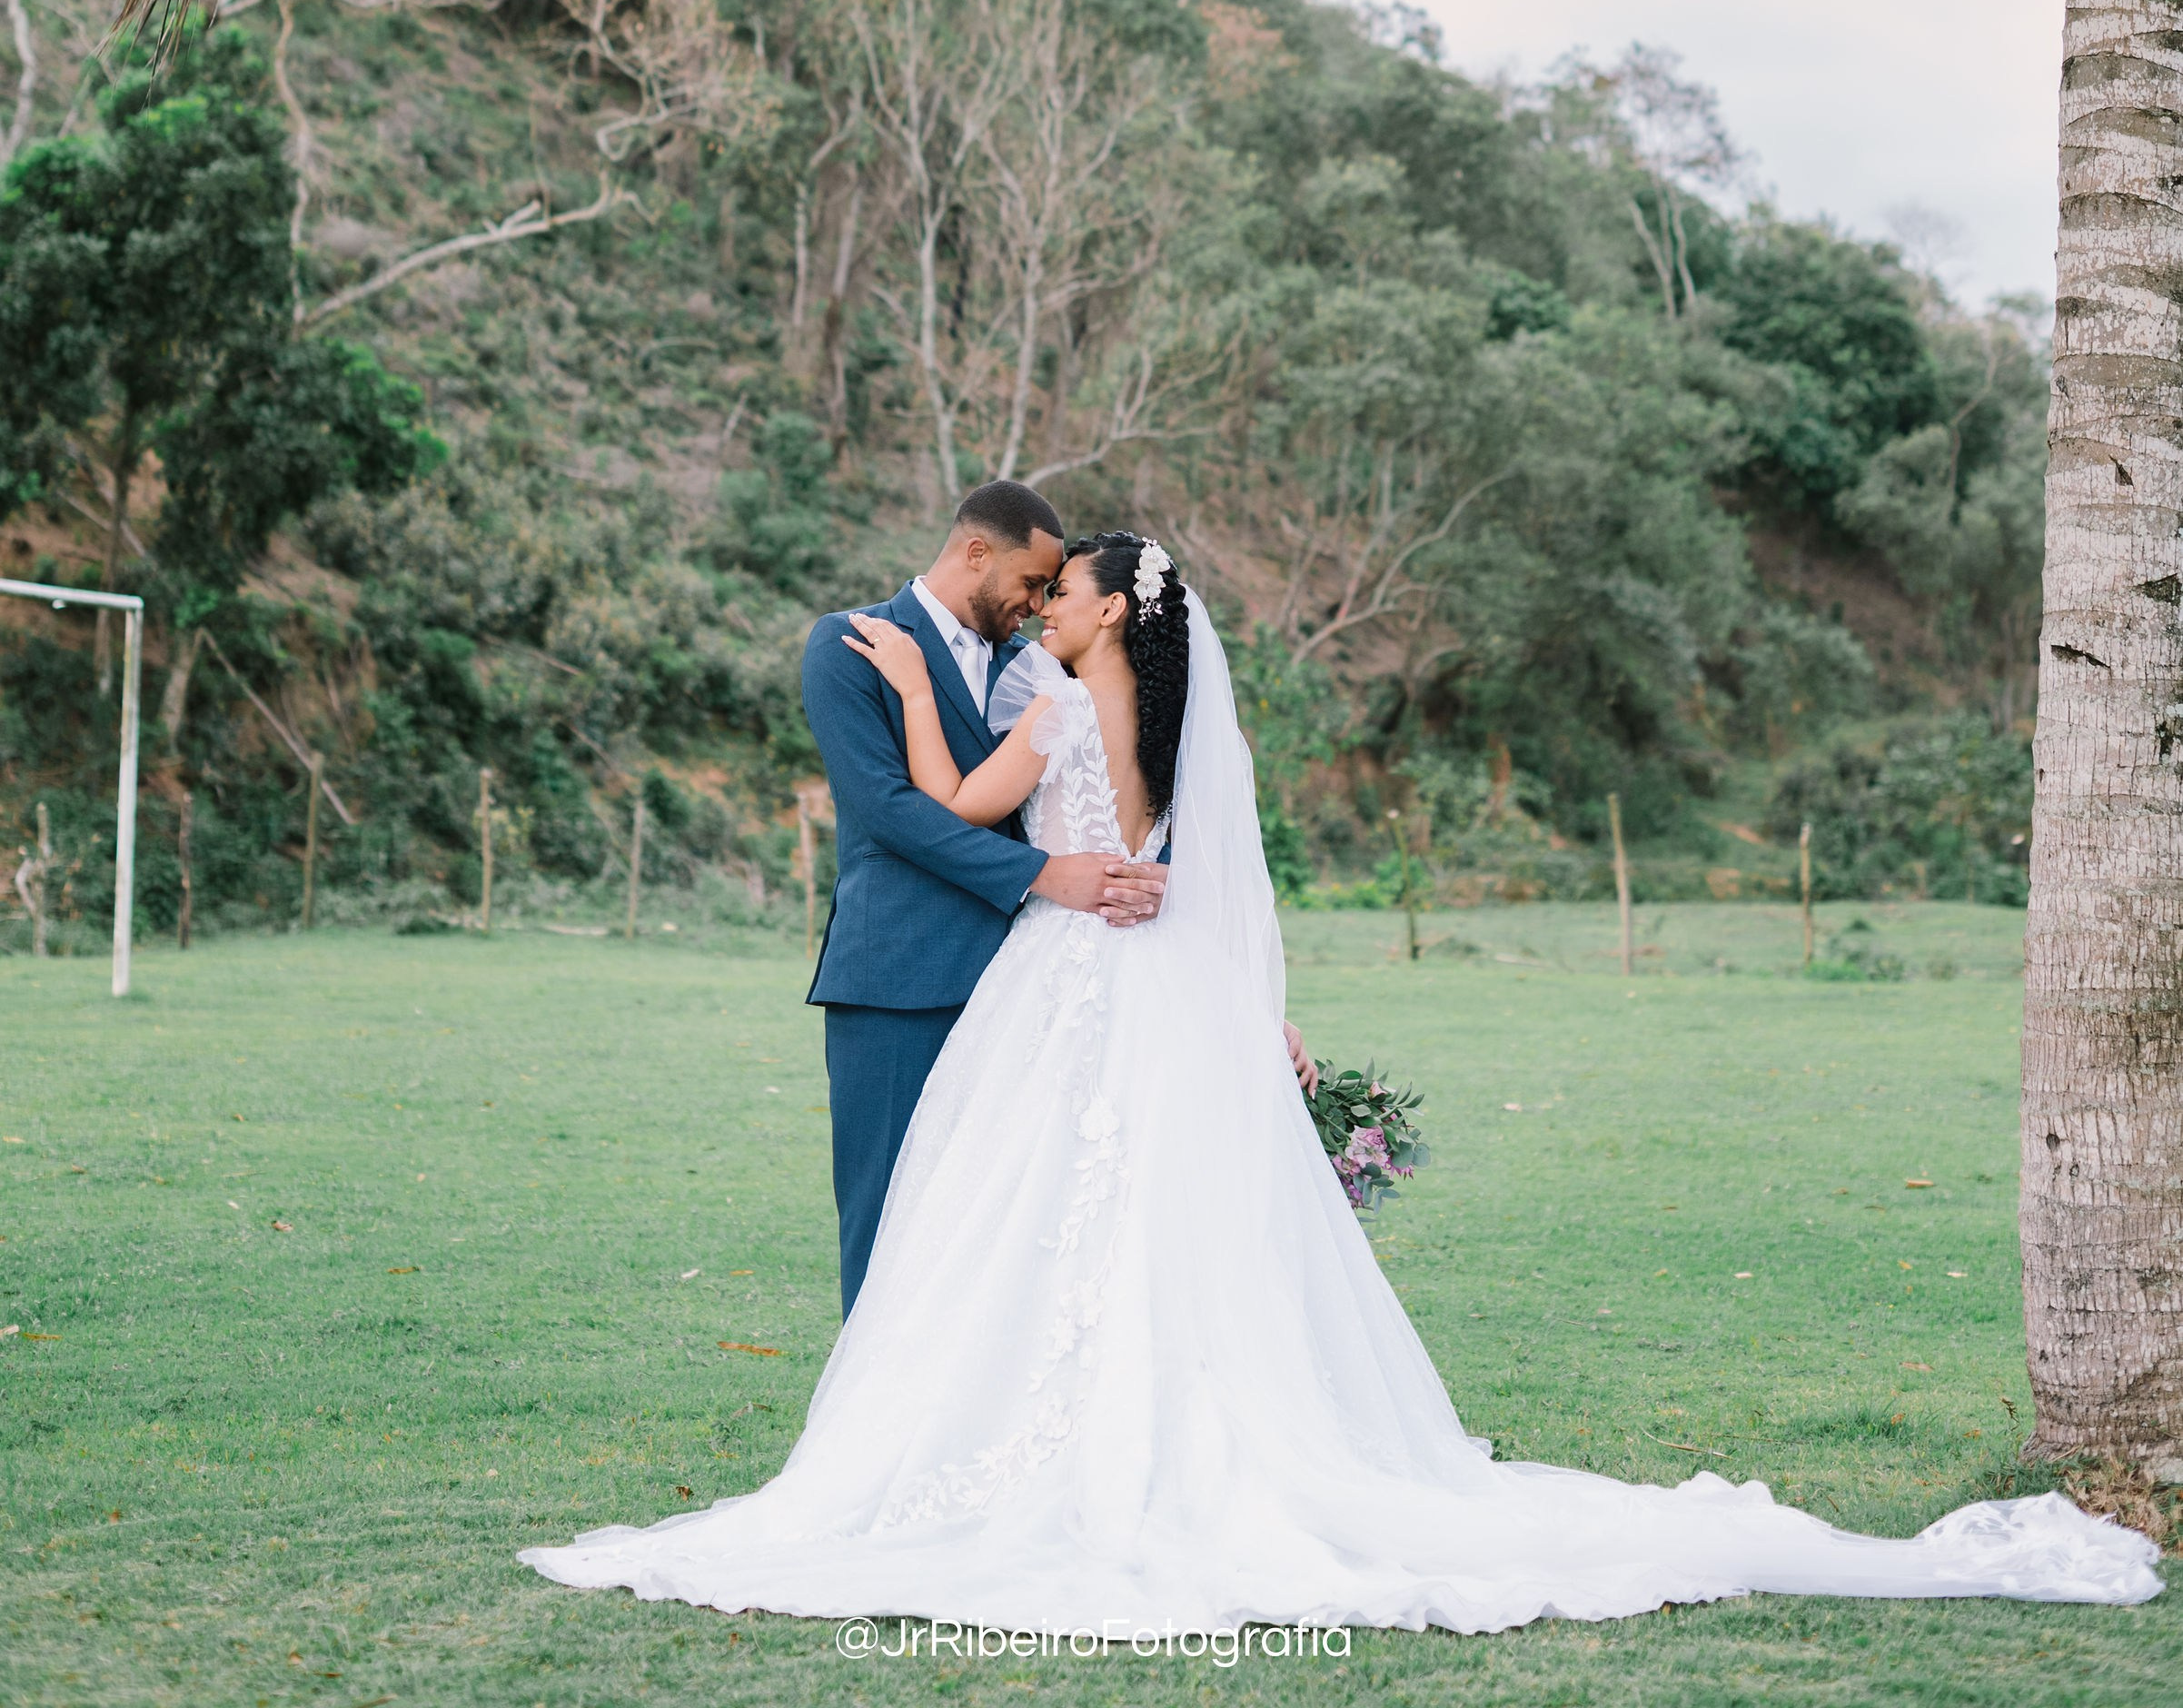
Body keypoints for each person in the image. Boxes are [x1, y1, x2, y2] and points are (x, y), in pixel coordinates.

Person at [523, 531, 2161, 1635]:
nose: (1047, 606)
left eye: (1069, 591)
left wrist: (894, 694)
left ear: (1108, 613)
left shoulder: (1055, 722)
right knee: (1163, 1216)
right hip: (1158, 989)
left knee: (1023, 1211)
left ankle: (1022, 1447)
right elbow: (1222, 888)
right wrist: (1264, 1013)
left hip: (1064, 985)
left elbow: (948, 797)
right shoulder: (1164, 731)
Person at [790, 479, 1166, 1313]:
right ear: (974, 553)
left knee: (1005, 1227)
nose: (1036, 606)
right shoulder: (850, 643)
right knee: (887, 1212)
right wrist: (1040, 875)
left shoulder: (1037, 670)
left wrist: (1152, 876)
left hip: (1029, 988)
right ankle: (874, 1425)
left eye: (1050, 591)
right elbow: (886, 812)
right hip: (898, 977)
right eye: (1031, 584)